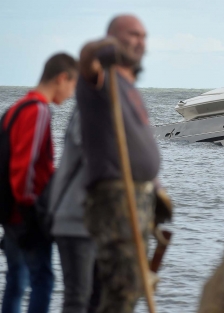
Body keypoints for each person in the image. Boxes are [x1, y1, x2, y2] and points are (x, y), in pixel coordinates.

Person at [77, 15, 161, 313]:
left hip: (139, 196)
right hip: (115, 197)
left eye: (144, 36)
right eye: (133, 34)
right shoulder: (100, 77)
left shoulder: (129, 86)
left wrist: (156, 188)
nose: (140, 41)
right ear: (113, 37)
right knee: (123, 286)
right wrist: (100, 47)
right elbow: (86, 59)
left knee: (130, 283)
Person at [1, 53, 78, 313]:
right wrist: (31, 210)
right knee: (43, 281)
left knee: (16, 282)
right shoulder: (39, 110)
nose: (70, 94)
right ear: (62, 78)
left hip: (8, 212)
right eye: (72, 85)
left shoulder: (15, 108)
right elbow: (25, 167)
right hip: (25, 216)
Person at [48, 108, 100, 313]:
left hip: (99, 222)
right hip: (76, 219)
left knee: (97, 295)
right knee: (78, 297)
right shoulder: (90, 112)